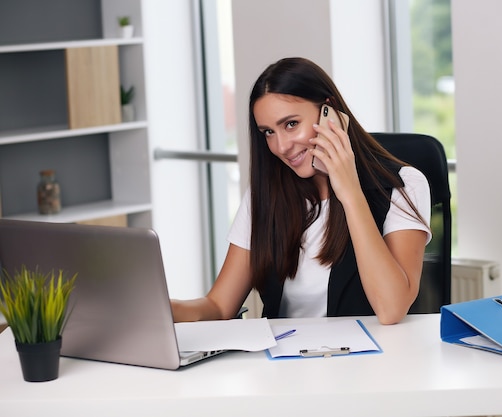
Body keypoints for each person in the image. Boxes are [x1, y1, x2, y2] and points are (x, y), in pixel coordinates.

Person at [171, 57, 431, 325]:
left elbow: (391, 309)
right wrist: (167, 309)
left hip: (368, 361)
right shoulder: (267, 192)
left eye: (291, 124)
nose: (281, 146)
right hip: (283, 362)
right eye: (268, 132)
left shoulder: (404, 185)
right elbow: (218, 306)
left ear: (328, 111)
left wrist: (350, 192)